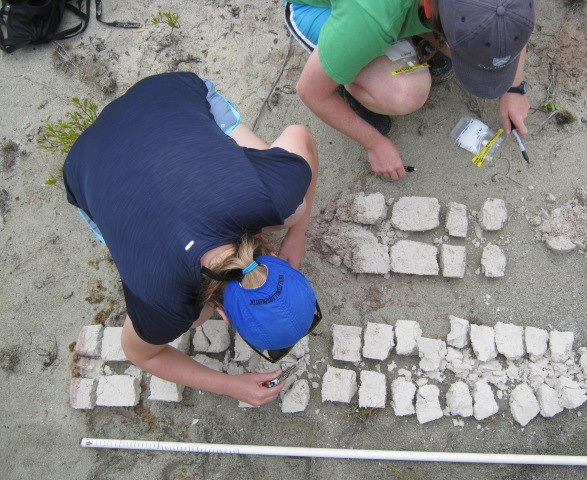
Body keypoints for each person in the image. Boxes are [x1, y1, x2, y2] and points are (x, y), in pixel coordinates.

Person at [63, 72, 320, 406]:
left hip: (159, 96)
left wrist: (296, 231)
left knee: (292, 211)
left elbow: (301, 135)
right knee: (194, 316)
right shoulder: (165, 305)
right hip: (83, 164)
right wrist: (230, 385)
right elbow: (141, 353)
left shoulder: (272, 200)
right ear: (225, 318)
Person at [284, 0, 535, 180]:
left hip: (403, 12)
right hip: (319, 9)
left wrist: (514, 87)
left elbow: (508, 15)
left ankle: (413, 41)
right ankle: (348, 78)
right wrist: (375, 143)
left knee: (466, 48)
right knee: (406, 93)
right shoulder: (369, 17)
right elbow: (311, 91)